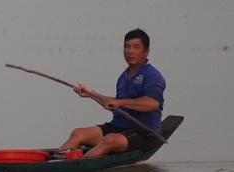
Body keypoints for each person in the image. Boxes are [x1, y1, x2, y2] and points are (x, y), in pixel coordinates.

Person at [58, 28, 165, 158]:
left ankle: (76, 167)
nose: (130, 51)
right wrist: (91, 94)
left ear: (146, 52)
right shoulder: (123, 77)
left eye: (136, 47)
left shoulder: (152, 75)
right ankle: (56, 163)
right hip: (118, 127)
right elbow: (114, 106)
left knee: (109, 140)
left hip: (144, 133)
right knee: (77, 133)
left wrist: (120, 102)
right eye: (127, 46)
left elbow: (152, 103)